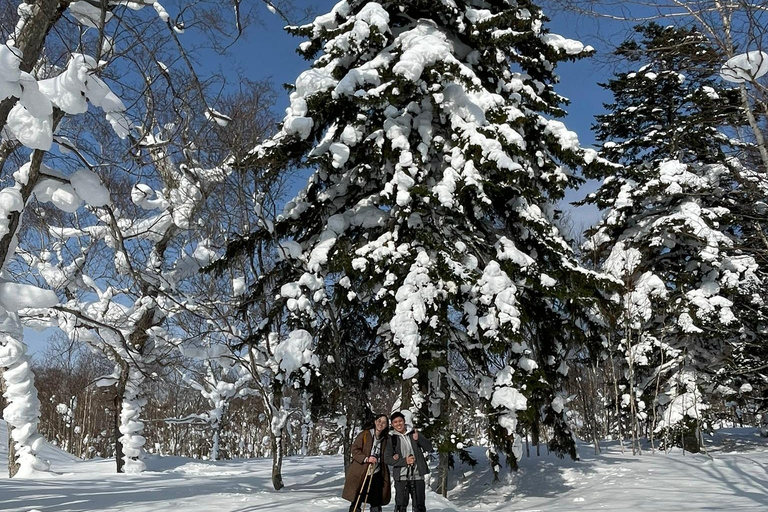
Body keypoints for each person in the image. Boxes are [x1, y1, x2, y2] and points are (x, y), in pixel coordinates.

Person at [383, 411, 432, 512]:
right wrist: (404, 461)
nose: (398, 424)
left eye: (400, 421)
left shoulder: (414, 433)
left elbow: (429, 447)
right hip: (401, 477)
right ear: (392, 424)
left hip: (417, 476)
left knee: (419, 506)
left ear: (404, 421)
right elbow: (387, 459)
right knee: (401, 506)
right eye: (395, 422)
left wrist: (419, 439)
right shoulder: (391, 439)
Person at [342, 413, 392, 512]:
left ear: (386, 425)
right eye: (379, 421)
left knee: (376, 499)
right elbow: (355, 449)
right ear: (375, 421)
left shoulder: (386, 439)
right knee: (357, 498)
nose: (381, 424)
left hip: (377, 472)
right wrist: (366, 458)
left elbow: (388, 453)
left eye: (384, 422)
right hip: (361, 471)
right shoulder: (365, 434)